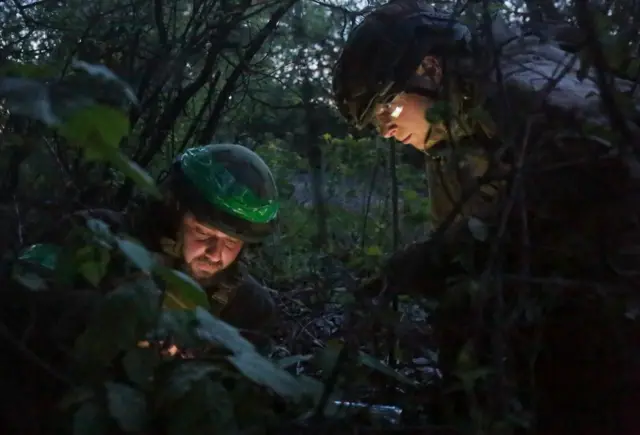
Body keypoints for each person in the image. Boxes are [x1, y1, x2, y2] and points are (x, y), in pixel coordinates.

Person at [332, 0, 640, 433]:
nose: (386, 129)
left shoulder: (522, 93)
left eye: (389, 108)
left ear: (430, 68)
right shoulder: (453, 142)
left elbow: (595, 177)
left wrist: (436, 260)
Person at [0, 144, 281, 433]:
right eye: (203, 232)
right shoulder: (99, 234)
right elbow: (20, 294)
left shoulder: (250, 307)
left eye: (231, 243)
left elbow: (247, 404)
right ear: (174, 212)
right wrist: (117, 322)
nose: (214, 252)